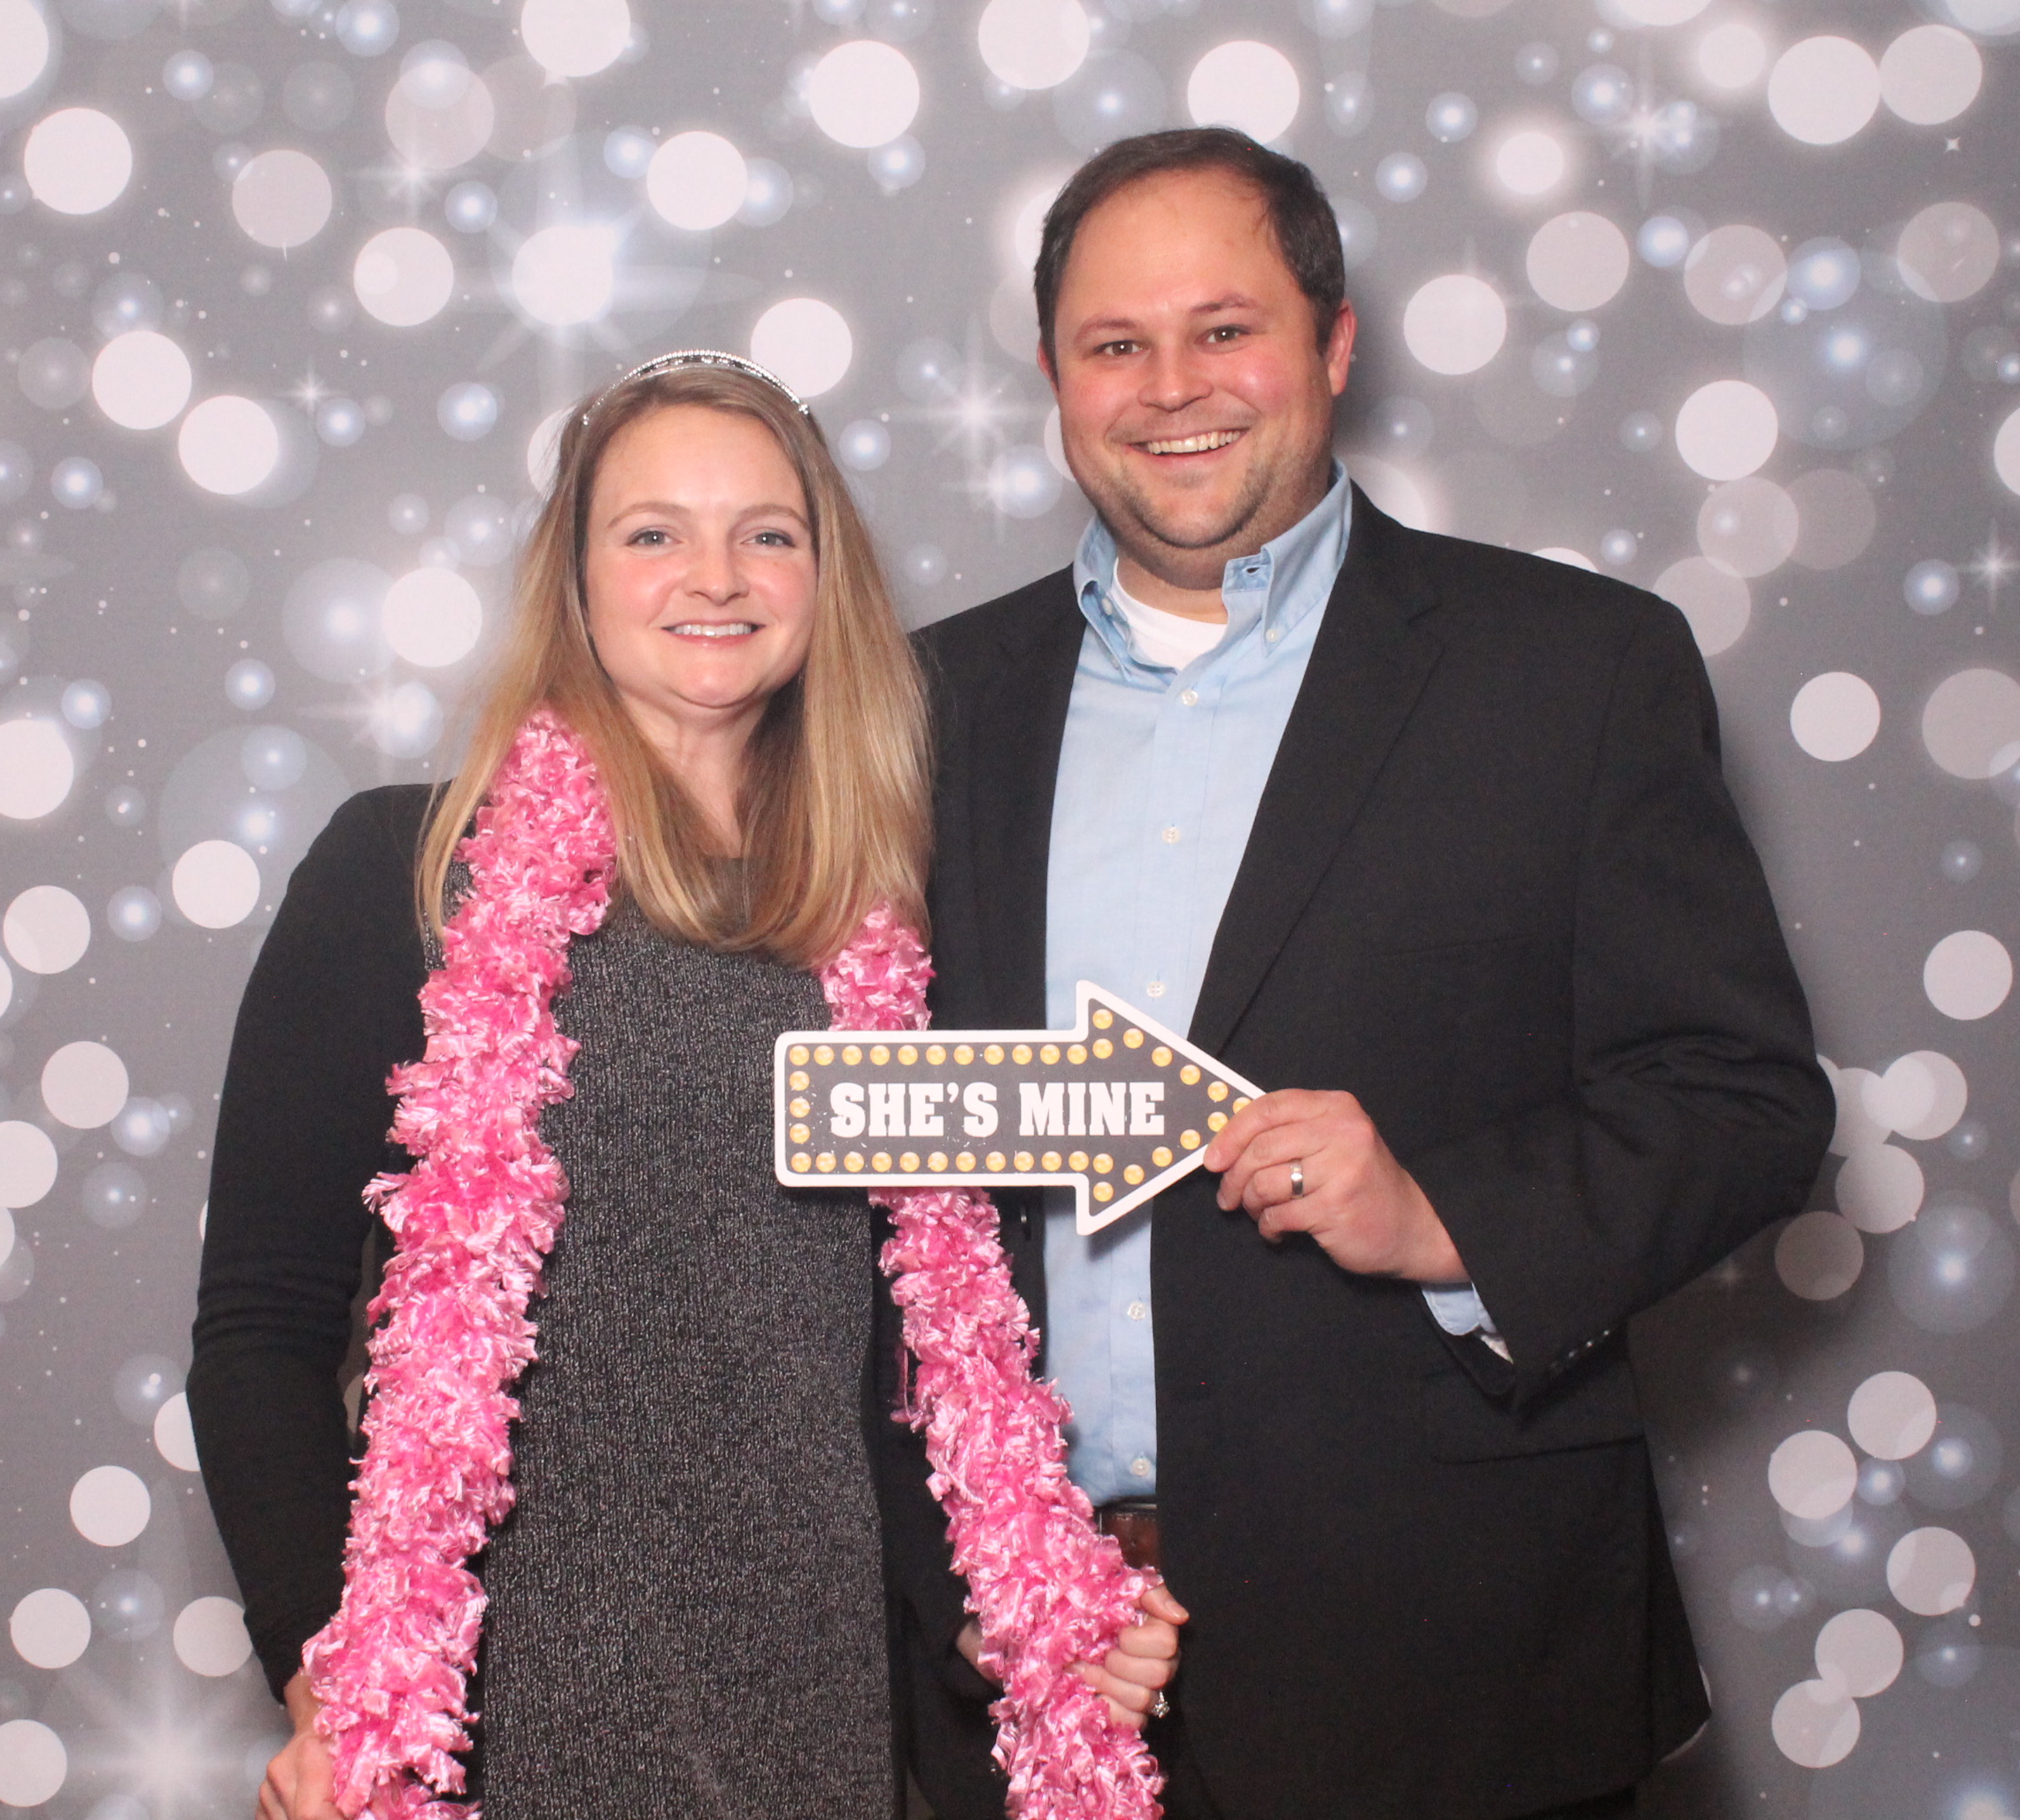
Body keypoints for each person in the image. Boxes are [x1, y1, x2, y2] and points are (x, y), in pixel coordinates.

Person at [883, 129, 1834, 1820]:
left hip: (1448, 1663)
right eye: (1116, 346)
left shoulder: (1577, 671)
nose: (1174, 387)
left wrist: (1451, 1219)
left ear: (1331, 343)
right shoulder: (919, 709)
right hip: (1019, 1662)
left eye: (1225, 328)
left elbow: (1746, 1101)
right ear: (1054, 378)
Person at [189, 353, 1174, 1820]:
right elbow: (261, 1329)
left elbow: (925, 1346)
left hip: (817, 1707)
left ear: (821, 576)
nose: (714, 575)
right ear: (575, 577)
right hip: (496, 1716)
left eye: (767, 532)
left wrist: (1026, 1609)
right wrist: (335, 1681)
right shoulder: (410, 875)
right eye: (652, 531)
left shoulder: (895, 915)